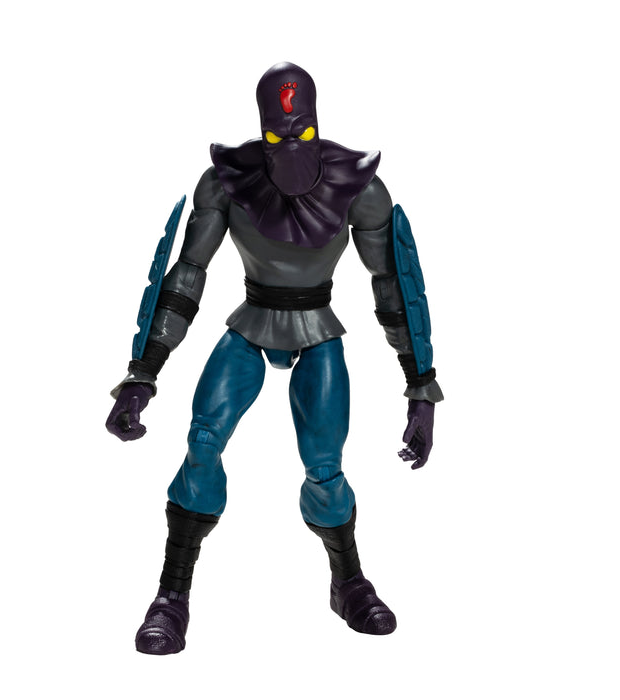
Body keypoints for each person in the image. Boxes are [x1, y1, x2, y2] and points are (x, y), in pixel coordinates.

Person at [106, 62, 444, 655]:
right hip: (253, 318)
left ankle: (348, 582)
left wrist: (421, 386)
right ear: (261, 127)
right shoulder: (226, 183)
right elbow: (186, 278)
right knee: (203, 440)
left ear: (316, 120)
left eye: (302, 132)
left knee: (325, 464)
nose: (290, 144)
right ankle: (171, 595)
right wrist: (143, 374)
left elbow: (394, 286)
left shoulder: (358, 188)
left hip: (317, 326)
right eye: (276, 134)